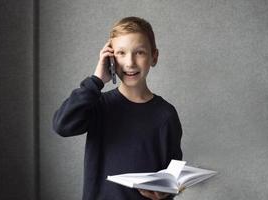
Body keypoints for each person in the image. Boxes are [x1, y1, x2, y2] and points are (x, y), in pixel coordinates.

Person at [53, 16, 183, 200]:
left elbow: (171, 176)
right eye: (121, 53)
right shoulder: (98, 105)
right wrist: (96, 81)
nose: (130, 62)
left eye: (139, 52)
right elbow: (62, 125)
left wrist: (166, 193)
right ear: (110, 59)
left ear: (154, 57)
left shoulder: (166, 115)